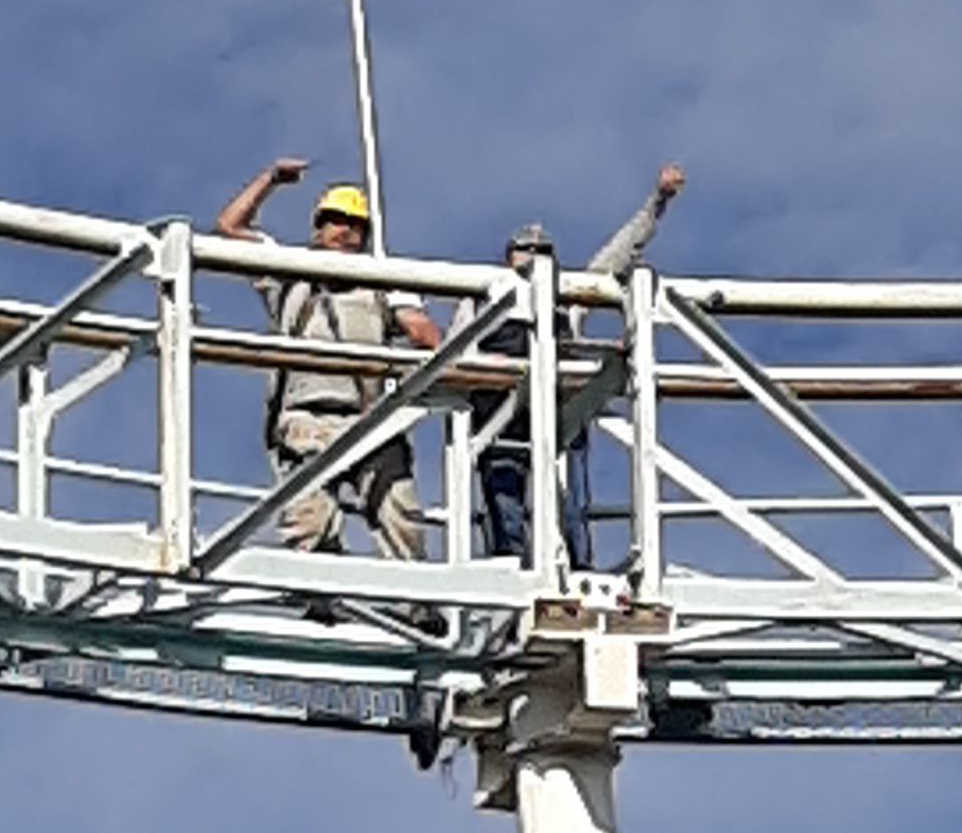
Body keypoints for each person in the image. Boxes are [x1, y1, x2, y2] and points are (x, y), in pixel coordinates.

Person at [216, 159, 440, 561]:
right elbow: (230, 229)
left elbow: (424, 334)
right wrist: (270, 180)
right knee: (310, 519)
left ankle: (415, 607)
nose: (346, 230)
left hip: (370, 417)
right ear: (318, 228)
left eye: (356, 224)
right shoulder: (289, 273)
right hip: (306, 418)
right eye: (336, 220)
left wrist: (426, 343)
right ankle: (321, 600)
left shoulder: (382, 283)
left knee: (399, 514)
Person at [477, 164, 685, 568]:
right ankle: (509, 570)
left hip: (561, 415)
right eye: (526, 250)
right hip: (498, 416)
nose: (534, 259)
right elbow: (452, 349)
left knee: (570, 504)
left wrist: (657, 202)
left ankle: (575, 569)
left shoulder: (566, 299)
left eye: (543, 253)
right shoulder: (480, 300)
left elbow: (621, 252)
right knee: (504, 501)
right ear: (508, 259)